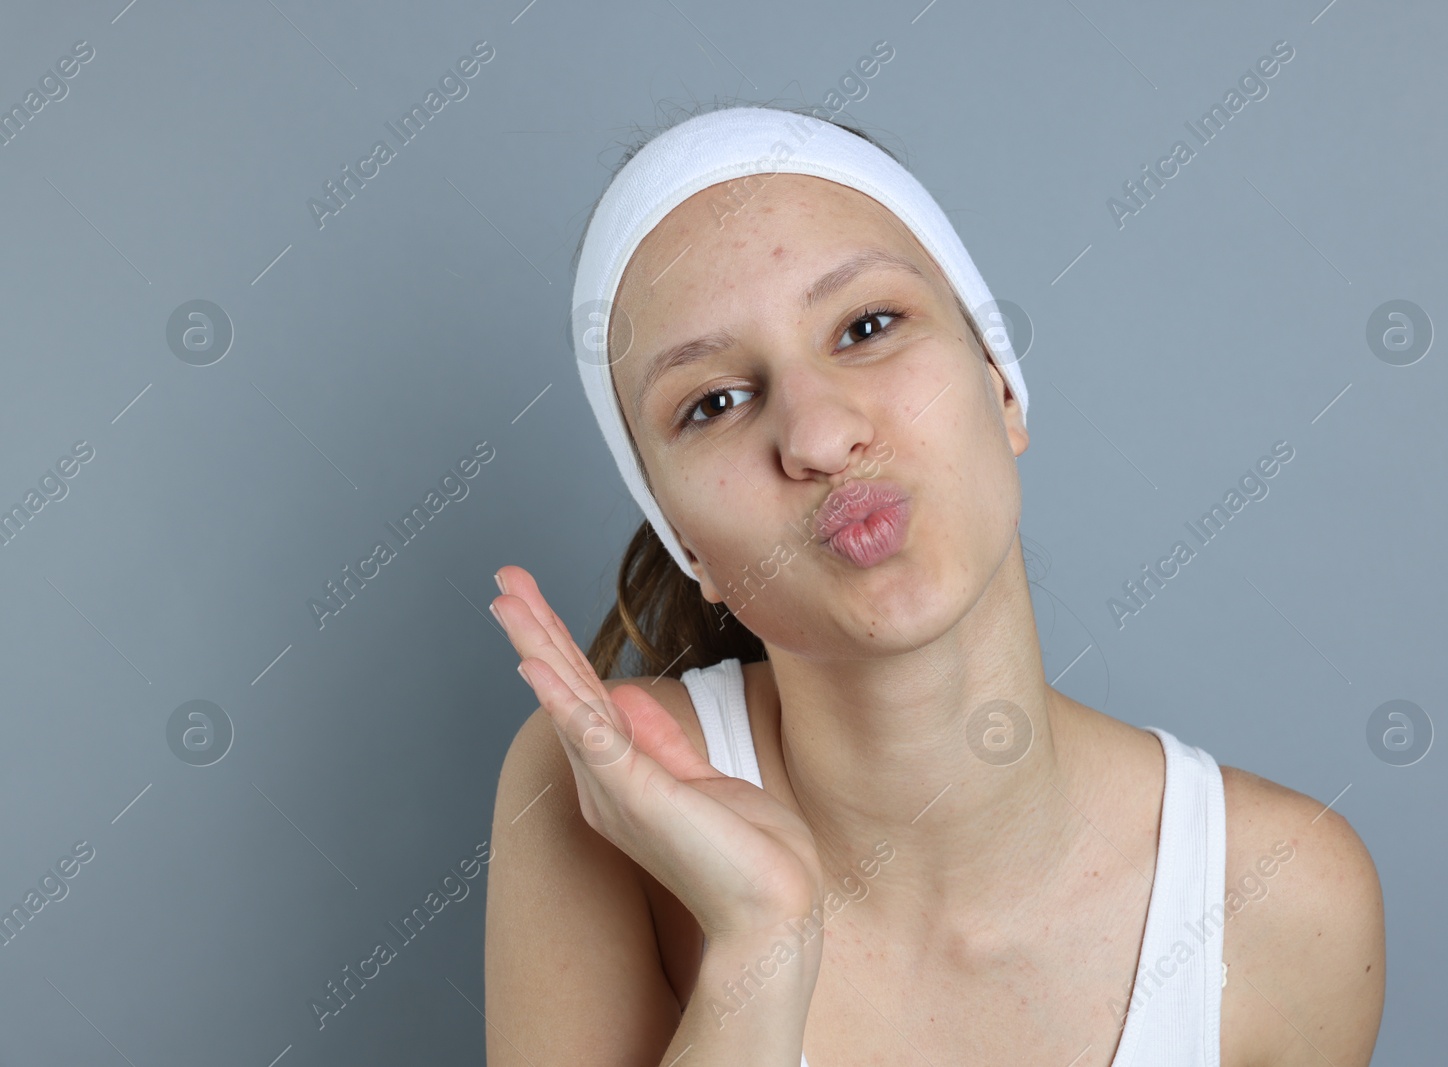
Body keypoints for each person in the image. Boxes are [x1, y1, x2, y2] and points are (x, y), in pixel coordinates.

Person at [482, 102, 1385, 1066]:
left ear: (1001, 384)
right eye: (715, 402)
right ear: (684, 541)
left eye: (867, 326)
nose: (822, 438)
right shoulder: (598, 789)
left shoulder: (1284, 901)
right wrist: (762, 939)